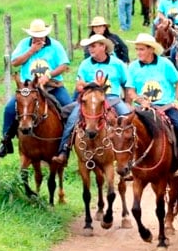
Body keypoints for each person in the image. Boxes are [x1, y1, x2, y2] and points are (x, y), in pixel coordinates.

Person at [0, 19, 73, 158]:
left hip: (52, 85)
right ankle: (5, 141)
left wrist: (48, 75)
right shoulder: (25, 44)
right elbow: (15, 62)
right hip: (29, 88)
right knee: (10, 109)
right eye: (36, 35)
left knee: (69, 107)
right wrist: (31, 51)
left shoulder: (55, 45)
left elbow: (64, 65)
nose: (39, 38)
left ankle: (69, 142)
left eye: (41, 35)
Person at [53, 34, 133, 165]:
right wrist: (93, 84)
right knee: (72, 120)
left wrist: (128, 103)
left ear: (103, 46)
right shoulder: (85, 64)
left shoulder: (117, 64)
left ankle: (132, 155)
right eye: (90, 46)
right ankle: (64, 150)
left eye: (94, 46)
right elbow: (79, 85)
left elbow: (127, 84)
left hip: (112, 97)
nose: (90, 49)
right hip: (89, 99)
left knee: (128, 119)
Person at [126, 33, 178, 178]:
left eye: (141, 49)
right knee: (125, 130)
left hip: (165, 106)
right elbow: (130, 90)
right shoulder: (133, 67)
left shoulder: (165, 64)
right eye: (137, 49)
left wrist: (176, 100)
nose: (138, 53)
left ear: (151, 50)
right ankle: (128, 165)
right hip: (143, 108)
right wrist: (140, 100)